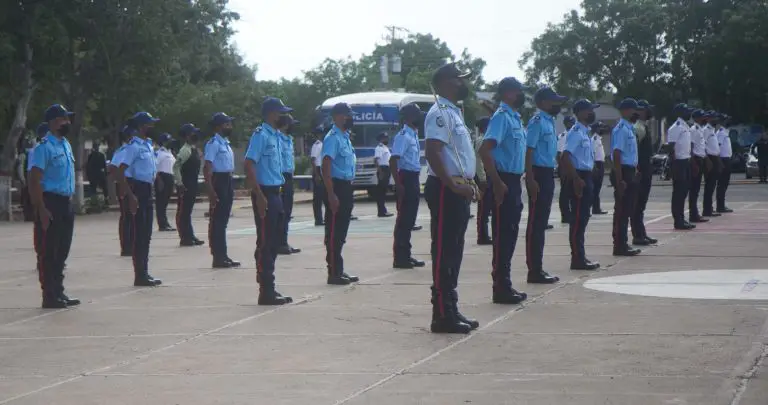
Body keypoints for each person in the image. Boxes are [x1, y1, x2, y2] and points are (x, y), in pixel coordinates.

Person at [424, 62, 479, 334]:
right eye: (459, 79)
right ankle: (442, 314)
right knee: (444, 250)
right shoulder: (440, 113)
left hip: (459, 188)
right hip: (447, 189)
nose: (463, 84)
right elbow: (433, 153)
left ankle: (451, 307)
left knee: (454, 251)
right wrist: (454, 186)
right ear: (447, 82)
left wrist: (469, 183)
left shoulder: (454, 113)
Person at [478, 76, 529, 303]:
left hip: (514, 179)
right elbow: (485, 150)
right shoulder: (501, 118)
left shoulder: (515, 118)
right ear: (508, 93)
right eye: (518, 91)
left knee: (510, 233)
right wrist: (497, 182)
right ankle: (500, 287)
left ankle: (505, 283)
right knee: (503, 235)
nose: (521, 95)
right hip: (504, 180)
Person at [28, 104, 79, 308]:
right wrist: (40, 208)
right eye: (63, 119)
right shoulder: (43, 147)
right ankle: (49, 295)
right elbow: (34, 180)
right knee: (49, 250)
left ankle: (59, 291)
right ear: (52, 122)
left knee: (62, 250)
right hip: (50, 202)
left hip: (65, 202)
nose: (67, 123)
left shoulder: (65, 144)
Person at [244, 98, 294, 305]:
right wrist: (259, 195)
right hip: (265, 193)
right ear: (272, 114)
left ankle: (269, 285)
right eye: (281, 112)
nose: (284, 116)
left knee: (273, 242)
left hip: (276, 192)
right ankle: (266, 290)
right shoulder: (261, 135)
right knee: (265, 242)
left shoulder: (275, 136)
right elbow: (248, 164)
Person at [114, 112, 163, 287]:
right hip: (137, 189)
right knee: (139, 234)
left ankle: (144, 272)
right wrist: (130, 195)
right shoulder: (133, 147)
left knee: (146, 234)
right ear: (142, 126)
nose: (153, 127)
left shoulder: (148, 146)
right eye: (150, 124)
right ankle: (139, 274)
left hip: (147, 189)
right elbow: (120, 171)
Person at [525, 86, 567, 284]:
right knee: (536, 223)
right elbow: (529, 151)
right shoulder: (537, 122)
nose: (557, 105)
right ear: (542, 102)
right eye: (553, 101)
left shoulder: (549, 122)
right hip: (538, 174)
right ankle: (534, 270)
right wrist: (530, 178)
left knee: (541, 223)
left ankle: (538, 267)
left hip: (548, 173)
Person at [322, 102, 361, 286]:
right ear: (337, 116)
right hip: (336, 187)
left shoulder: (345, 137)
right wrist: (331, 194)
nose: (350, 118)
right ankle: (333, 272)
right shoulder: (332, 138)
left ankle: (339, 269)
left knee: (341, 231)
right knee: (334, 231)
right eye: (347, 115)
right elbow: (326, 166)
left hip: (346, 187)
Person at [560, 99, 600, 270]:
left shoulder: (585, 132)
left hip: (585, 176)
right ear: (582, 112)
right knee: (577, 219)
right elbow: (565, 156)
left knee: (583, 218)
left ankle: (580, 256)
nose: (592, 113)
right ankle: (577, 258)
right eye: (590, 110)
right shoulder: (576, 132)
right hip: (579, 177)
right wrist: (576, 179)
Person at [390, 103, 426, 269]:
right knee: (404, 219)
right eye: (417, 115)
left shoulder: (413, 134)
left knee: (410, 218)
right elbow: (393, 159)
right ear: (410, 117)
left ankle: (406, 254)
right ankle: (400, 257)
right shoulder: (403, 135)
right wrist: (398, 183)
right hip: (406, 177)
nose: (420, 118)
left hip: (413, 177)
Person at [204, 112, 241, 268]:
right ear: (219, 126)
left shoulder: (225, 143)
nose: (230, 127)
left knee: (223, 220)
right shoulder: (213, 144)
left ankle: (223, 255)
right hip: (218, 180)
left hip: (227, 180)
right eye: (227, 124)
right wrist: (211, 190)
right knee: (217, 221)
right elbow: (207, 167)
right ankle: (217, 256)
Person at [611, 98, 643, 255]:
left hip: (630, 170)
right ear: (624, 111)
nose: (635, 112)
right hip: (623, 171)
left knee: (628, 209)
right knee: (622, 210)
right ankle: (619, 244)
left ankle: (623, 243)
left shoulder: (629, 129)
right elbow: (617, 154)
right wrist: (620, 179)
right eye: (633, 109)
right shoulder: (620, 129)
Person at [631, 100, 660, 244]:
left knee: (641, 204)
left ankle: (641, 232)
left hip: (646, 168)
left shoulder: (643, 126)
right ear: (640, 111)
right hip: (641, 169)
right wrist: (636, 169)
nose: (649, 112)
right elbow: (634, 150)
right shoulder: (638, 128)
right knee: (637, 204)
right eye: (646, 110)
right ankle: (637, 235)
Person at [173, 123, 205, 247]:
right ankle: (185, 237)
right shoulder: (185, 150)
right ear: (187, 136)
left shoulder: (193, 149)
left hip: (192, 183)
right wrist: (180, 183)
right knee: (183, 212)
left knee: (188, 211)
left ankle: (190, 235)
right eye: (193, 133)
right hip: (186, 183)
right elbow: (176, 167)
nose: (195, 135)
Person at [665, 104, 696, 231]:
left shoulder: (685, 126)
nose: (689, 113)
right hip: (679, 163)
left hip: (686, 161)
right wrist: (674, 166)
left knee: (684, 192)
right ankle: (678, 220)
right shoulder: (676, 127)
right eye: (686, 111)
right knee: (678, 192)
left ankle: (682, 218)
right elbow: (670, 147)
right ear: (680, 113)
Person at [276, 114, 301, 255]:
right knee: (281, 211)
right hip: (281, 177)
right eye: (291, 124)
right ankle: (279, 243)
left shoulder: (288, 140)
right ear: (285, 124)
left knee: (287, 211)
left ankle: (283, 241)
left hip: (289, 176)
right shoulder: (278, 139)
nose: (293, 127)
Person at [110, 125, 134, 256]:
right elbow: (113, 168)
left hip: (134, 183)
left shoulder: (134, 149)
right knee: (127, 216)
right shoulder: (123, 151)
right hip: (126, 183)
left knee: (133, 216)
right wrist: (121, 185)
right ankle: (126, 247)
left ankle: (132, 244)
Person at [687, 110, 710, 224]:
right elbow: (690, 147)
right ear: (696, 118)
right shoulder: (693, 130)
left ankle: (695, 213)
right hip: (695, 159)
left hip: (700, 159)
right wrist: (694, 163)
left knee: (696, 189)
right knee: (694, 189)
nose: (704, 119)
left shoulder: (699, 129)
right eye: (702, 117)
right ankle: (693, 214)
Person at [474, 116, 493, 245]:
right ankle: (482, 236)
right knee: (483, 209)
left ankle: (484, 234)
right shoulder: (482, 140)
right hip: (483, 177)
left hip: (485, 176)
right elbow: (479, 162)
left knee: (486, 208)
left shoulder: (483, 140)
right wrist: (482, 178)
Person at [154, 133, 176, 232]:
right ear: (163, 142)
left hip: (170, 177)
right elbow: (155, 167)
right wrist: (159, 180)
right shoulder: (159, 153)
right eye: (169, 141)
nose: (171, 143)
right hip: (162, 177)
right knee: (161, 202)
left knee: (165, 202)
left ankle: (165, 222)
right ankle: (162, 224)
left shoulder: (170, 153)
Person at [702, 113, 723, 217]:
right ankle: (707, 210)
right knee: (709, 185)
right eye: (714, 117)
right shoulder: (706, 130)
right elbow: (703, 145)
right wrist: (707, 160)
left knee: (712, 185)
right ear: (709, 118)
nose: (716, 119)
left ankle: (709, 208)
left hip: (714, 158)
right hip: (709, 159)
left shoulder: (712, 130)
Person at [557, 115, 576, 224]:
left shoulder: (573, 134)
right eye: (570, 122)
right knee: (565, 192)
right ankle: (565, 215)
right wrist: (563, 170)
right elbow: (559, 154)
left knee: (571, 192)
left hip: (572, 167)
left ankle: (571, 213)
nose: (572, 124)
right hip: (565, 167)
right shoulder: (563, 136)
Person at [716, 114, 734, 214]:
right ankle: (720, 206)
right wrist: (719, 162)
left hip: (726, 159)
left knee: (724, 184)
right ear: (723, 121)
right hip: (723, 160)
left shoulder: (724, 132)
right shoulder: (721, 133)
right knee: (722, 184)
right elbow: (717, 147)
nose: (728, 121)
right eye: (727, 120)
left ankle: (721, 205)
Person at [374, 133, 393, 218]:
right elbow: (376, 160)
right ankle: (381, 212)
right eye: (385, 138)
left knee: (383, 191)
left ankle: (383, 210)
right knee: (381, 192)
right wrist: (380, 172)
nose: (387, 139)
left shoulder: (385, 147)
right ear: (381, 139)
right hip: (383, 170)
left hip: (386, 169)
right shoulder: (379, 148)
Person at [591, 121, 608, 215]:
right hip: (596, 164)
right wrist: (594, 167)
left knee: (597, 188)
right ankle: (595, 208)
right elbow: (592, 153)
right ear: (596, 129)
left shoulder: (598, 139)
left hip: (600, 164)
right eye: (600, 127)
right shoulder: (594, 139)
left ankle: (596, 208)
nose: (602, 129)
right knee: (595, 188)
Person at [310, 126, 325, 226]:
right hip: (318, 170)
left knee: (323, 195)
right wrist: (316, 174)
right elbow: (313, 160)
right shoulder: (317, 145)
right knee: (318, 197)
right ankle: (318, 219)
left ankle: (321, 218)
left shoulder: (322, 144)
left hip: (322, 170)